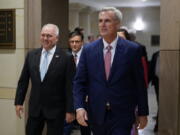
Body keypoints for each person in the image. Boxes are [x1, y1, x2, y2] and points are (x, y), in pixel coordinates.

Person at [73, 7, 149, 135]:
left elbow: (139, 84)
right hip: (96, 113)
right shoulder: (88, 50)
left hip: (122, 114)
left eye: (107, 21)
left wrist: (143, 112)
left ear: (117, 24)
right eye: (100, 21)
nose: (102, 24)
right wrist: (79, 107)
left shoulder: (132, 50)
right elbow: (79, 82)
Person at [14, 24, 75, 135]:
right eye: (43, 35)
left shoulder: (66, 58)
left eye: (49, 36)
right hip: (35, 109)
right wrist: (18, 102)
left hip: (56, 110)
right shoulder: (32, 55)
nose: (45, 38)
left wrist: (70, 110)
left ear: (56, 38)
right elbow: (23, 81)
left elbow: (70, 86)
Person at [149, 51, 159, 132]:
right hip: (157, 82)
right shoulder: (156, 54)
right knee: (159, 102)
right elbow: (151, 68)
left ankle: (158, 124)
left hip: (168, 83)